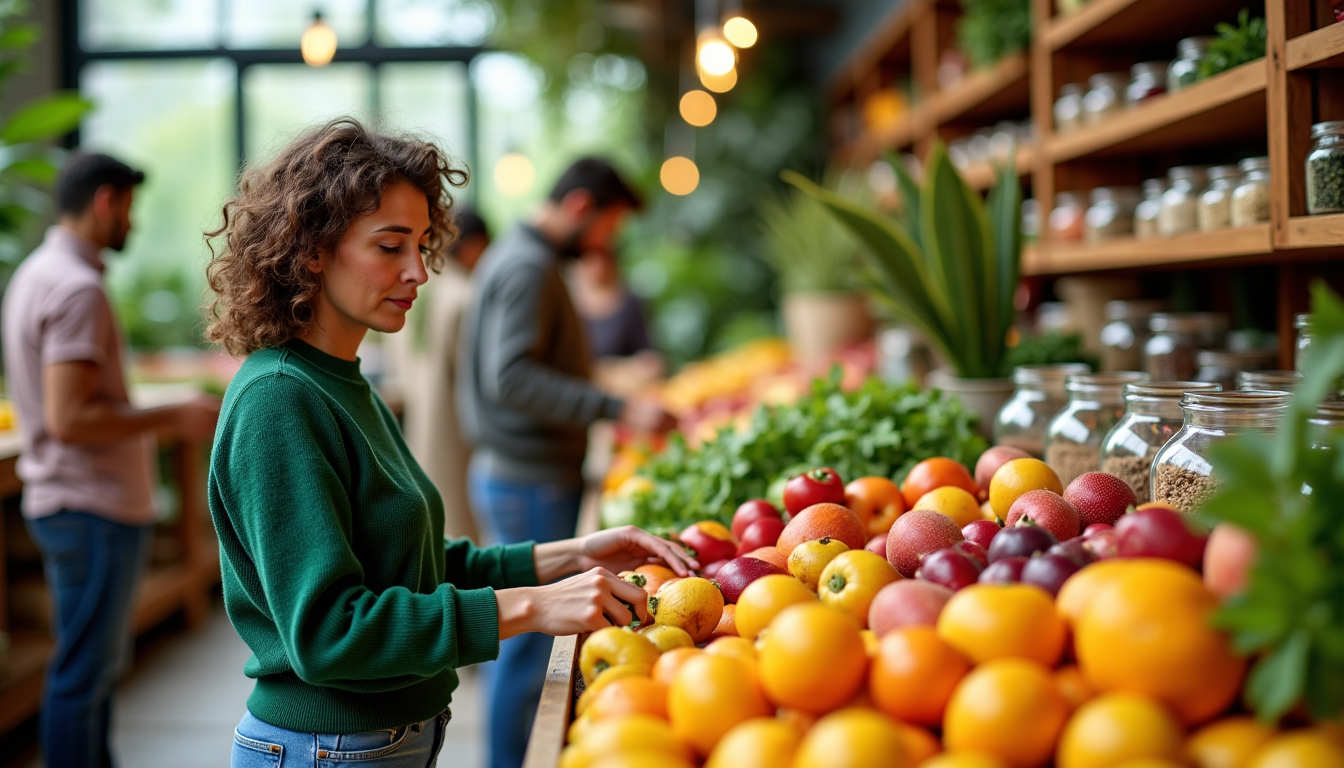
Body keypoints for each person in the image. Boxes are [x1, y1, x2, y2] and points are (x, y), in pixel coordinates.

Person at [203, 119, 695, 768]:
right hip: (329, 749)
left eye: (420, 245)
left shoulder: (343, 382)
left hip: (378, 742)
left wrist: (572, 554)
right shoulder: (280, 400)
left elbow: (417, 566)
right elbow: (329, 633)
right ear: (313, 249)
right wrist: (534, 606)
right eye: (389, 247)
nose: (418, 272)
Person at [0, 152, 221, 768]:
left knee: (87, 671)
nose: (134, 222)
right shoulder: (76, 288)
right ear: (105, 202)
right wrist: (172, 415)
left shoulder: (37, 274)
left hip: (71, 503)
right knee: (83, 677)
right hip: (89, 507)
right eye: (130, 207)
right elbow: (69, 419)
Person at [457, 157, 678, 768]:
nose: (609, 244)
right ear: (581, 208)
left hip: (519, 471)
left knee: (527, 648)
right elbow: (512, 377)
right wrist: (615, 406)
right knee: (530, 650)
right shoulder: (529, 267)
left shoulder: (522, 259)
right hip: (528, 478)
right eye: (609, 227)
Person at [392, 205, 490, 541]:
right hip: (459, 432)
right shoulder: (466, 295)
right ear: (476, 245)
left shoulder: (413, 291)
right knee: (466, 532)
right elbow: (482, 381)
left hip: (420, 424)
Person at [569, 245, 664, 397]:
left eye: (603, 258)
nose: (599, 265)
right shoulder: (568, 307)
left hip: (630, 394)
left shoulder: (631, 302)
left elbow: (652, 358)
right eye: (591, 259)